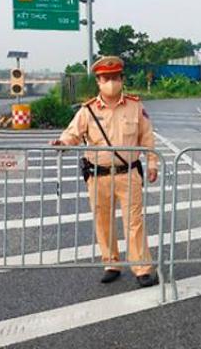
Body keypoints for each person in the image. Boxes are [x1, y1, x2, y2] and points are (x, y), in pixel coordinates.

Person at [49, 56, 159, 287]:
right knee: (103, 221)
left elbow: (147, 138)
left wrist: (152, 163)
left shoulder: (135, 106)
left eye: (115, 78)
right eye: (105, 78)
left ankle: (142, 268)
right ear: (98, 81)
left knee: (135, 222)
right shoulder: (87, 110)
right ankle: (111, 262)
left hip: (128, 173)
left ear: (122, 79)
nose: (111, 82)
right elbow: (72, 134)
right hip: (98, 176)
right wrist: (62, 143)